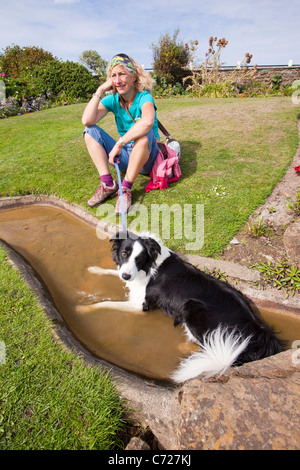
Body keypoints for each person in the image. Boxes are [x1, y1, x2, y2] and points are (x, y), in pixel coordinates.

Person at [82, 53, 160, 214]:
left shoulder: (144, 97)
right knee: (90, 131)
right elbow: (87, 121)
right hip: (126, 157)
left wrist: (119, 143)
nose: (118, 80)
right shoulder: (113, 100)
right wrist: (100, 89)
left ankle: (125, 190)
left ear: (133, 77)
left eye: (122, 74)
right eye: (113, 76)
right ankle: (108, 184)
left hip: (147, 158)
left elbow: (147, 122)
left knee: (145, 133)